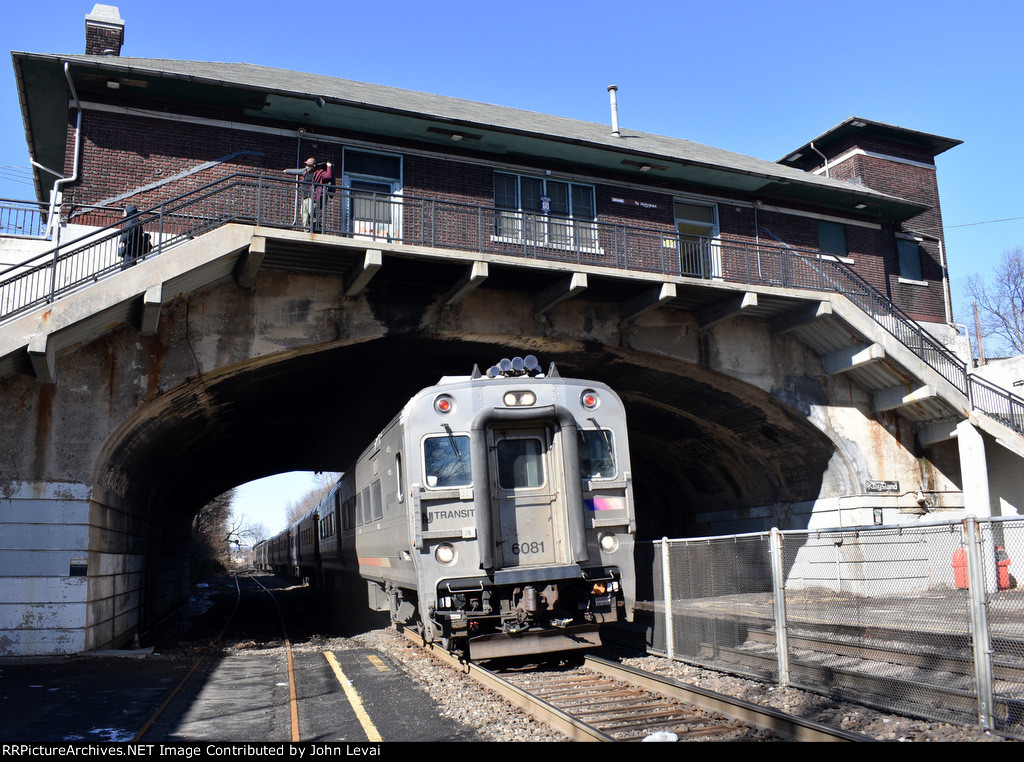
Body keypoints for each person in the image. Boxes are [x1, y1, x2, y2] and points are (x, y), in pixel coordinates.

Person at [284, 158, 334, 231]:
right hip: (305, 197)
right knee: (304, 215)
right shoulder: (306, 172)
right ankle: (306, 231)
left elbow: (329, 176)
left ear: (313, 165)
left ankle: (316, 230)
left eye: (309, 165)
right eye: (306, 165)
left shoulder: (320, 172)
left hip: (313, 197)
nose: (307, 166)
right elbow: (298, 171)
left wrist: (329, 166)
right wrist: (287, 171)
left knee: (312, 214)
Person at [117, 204, 149, 269]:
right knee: (127, 264)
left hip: (130, 248)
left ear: (129, 212)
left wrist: (123, 241)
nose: (123, 213)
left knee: (128, 266)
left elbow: (128, 233)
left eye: (125, 211)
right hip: (132, 248)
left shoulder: (131, 221)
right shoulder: (133, 220)